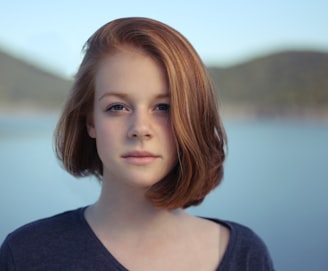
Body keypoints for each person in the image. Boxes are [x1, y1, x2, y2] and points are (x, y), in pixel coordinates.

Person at [0, 17, 274, 270]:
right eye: (117, 107)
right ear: (90, 122)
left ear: (191, 117)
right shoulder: (27, 254)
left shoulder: (245, 256)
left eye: (163, 107)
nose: (140, 129)